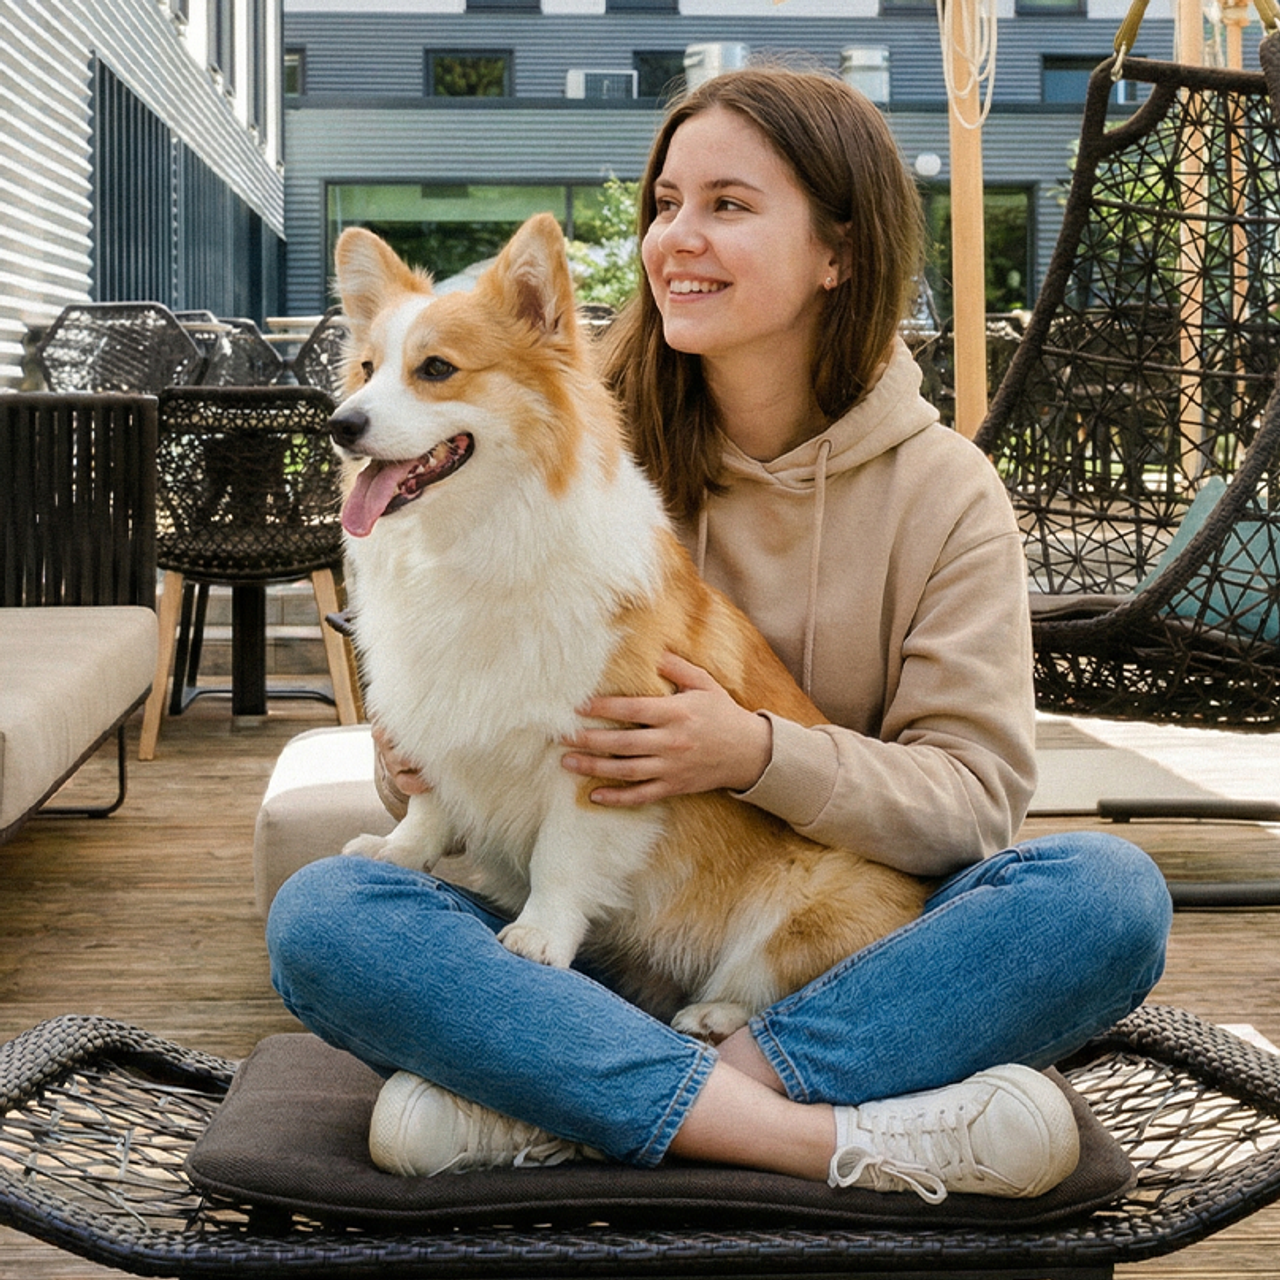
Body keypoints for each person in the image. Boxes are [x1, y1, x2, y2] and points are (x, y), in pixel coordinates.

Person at [267, 65, 1172, 1201]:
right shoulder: (551, 435)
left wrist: (750, 752)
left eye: (727, 206)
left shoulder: (943, 492)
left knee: (1101, 894)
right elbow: (469, 754)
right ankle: (809, 1133)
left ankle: (581, 1108)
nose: (673, 238)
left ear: (837, 251)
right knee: (327, 916)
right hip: (578, 935)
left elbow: (973, 802)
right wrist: (409, 770)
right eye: (663, 203)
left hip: (815, 935)